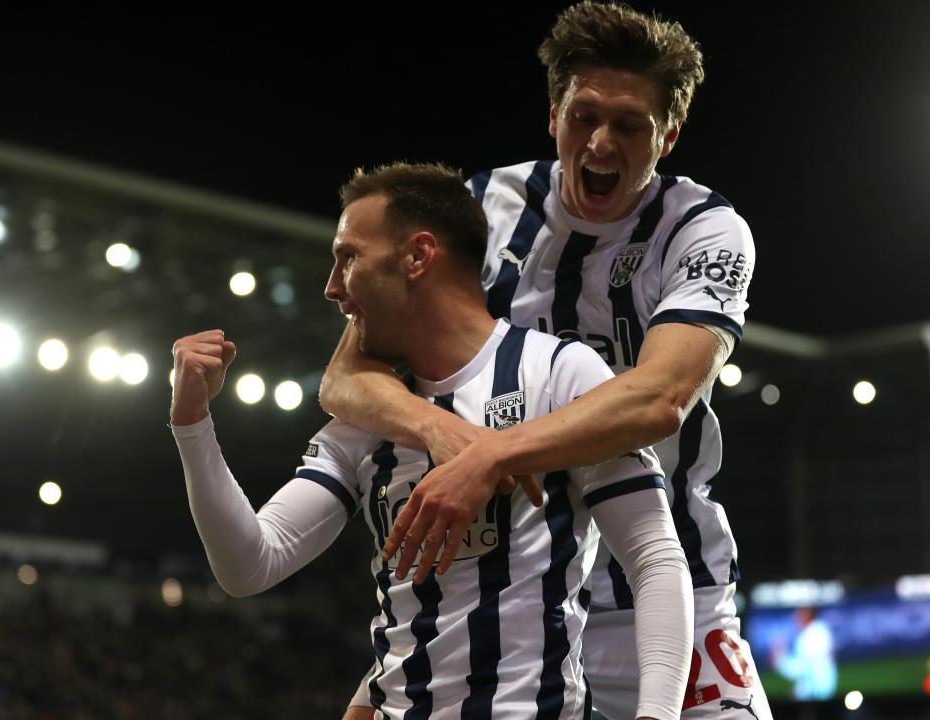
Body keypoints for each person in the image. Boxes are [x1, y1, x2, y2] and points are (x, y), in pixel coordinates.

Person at [320, 3, 773, 719]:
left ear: (670, 135)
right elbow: (347, 377)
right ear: (552, 114)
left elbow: (660, 399)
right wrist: (445, 437)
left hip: (671, 590)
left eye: (629, 125)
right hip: (515, 613)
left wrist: (490, 455)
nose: (600, 142)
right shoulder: (479, 212)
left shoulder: (704, 229)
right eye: (583, 115)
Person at [170, 163, 692, 719]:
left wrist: (655, 716)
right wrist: (191, 423)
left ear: (418, 256)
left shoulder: (558, 372)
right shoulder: (374, 415)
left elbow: (655, 558)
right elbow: (249, 564)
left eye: (349, 257)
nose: (332, 287)